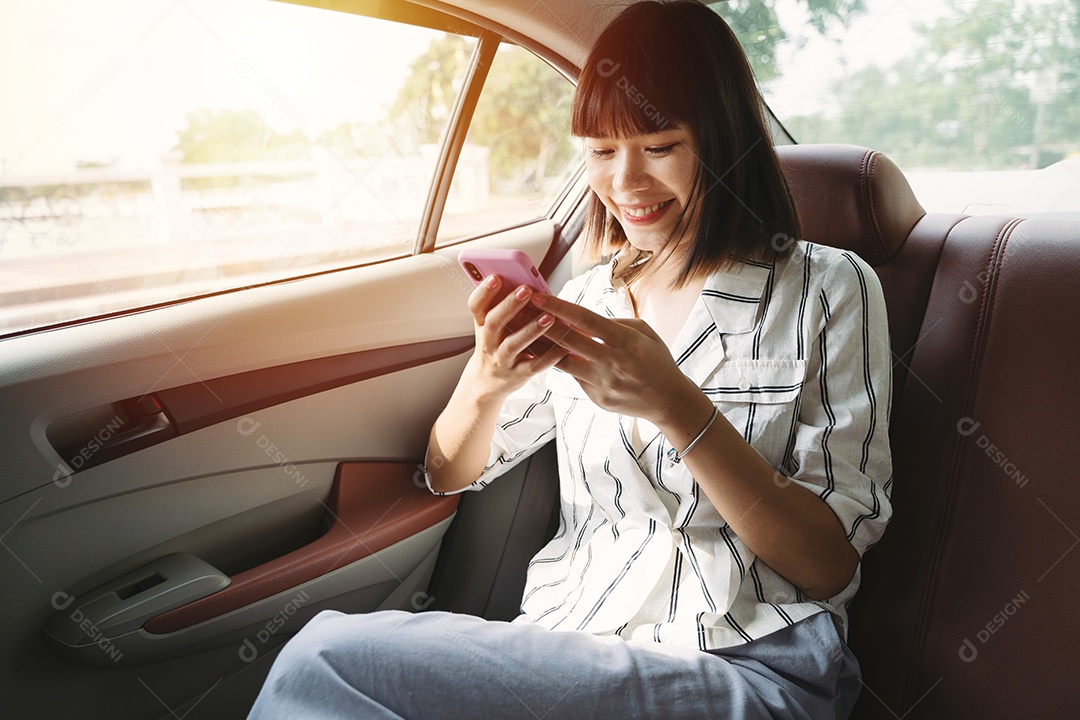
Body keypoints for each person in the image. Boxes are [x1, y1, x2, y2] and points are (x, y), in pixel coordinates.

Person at [246, 2, 891, 718]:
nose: (626, 184)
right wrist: (487, 379)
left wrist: (679, 407)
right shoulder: (588, 299)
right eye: (600, 151)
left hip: (745, 661)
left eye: (660, 145)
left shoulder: (828, 288)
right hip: (570, 645)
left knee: (323, 659)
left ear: (724, 142)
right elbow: (449, 472)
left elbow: (827, 563)